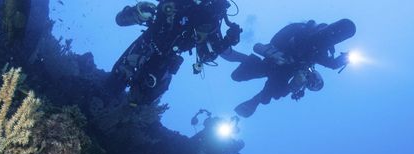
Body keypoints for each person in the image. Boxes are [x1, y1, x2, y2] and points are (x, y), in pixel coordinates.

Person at [107, 1, 241, 103]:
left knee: (144, 98)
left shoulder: (213, 16)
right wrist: (141, 12)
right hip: (149, 42)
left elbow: (207, 55)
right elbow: (120, 20)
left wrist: (228, 40)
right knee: (115, 82)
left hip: (167, 57)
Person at [228, 19, 356, 117]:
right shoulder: (309, 42)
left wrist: (293, 86)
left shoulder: (314, 58)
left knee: (268, 94)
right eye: (316, 81)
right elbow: (330, 63)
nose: (312, 81)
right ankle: (242, 58)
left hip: (280, 72)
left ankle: (254, 98)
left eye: (312, 85)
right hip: (275, 60)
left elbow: (330, 63)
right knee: (238, 76)